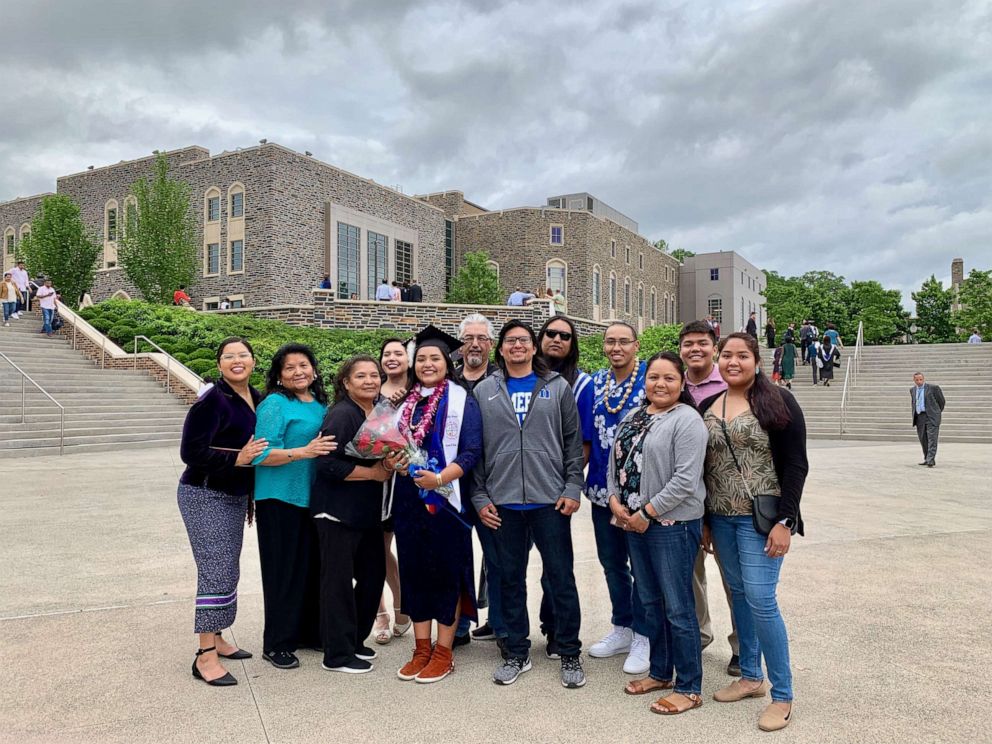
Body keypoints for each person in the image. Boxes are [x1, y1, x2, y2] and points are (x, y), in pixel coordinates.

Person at [699, 332, 808, 732]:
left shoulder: (778, 400)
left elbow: (797, 464)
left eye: (742, 355)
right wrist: (707, 522)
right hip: (722, 517)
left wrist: (786, 521)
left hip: (761, 520)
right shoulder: (710, 404)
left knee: (762, 600)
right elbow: (705, 468)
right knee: (740, 597)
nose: (733, 361)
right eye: (726, 355)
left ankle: (783, 695)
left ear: (756, 360)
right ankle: (750, 677)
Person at [473, 320, 586, 688]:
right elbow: (475, 450)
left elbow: (573, 442)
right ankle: (517, 652)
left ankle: (569, 652)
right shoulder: (484, 391)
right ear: (500, 349)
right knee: (509, 581)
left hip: (549, 501)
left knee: (561, 578)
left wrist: (572, 487)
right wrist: (479, 496)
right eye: (510, 341)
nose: (517, 346)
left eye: (523, 340)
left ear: (534, 347)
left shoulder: (557, 387)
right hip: (503, 503)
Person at [609, 352, 708, 714]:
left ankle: (689, 686)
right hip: (633, 523)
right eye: (653, 377)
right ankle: (661, 672)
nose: (660, 384)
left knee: (679, 607)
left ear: (682, 383)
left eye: (669, 378)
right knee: (650, 602)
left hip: (671, 525)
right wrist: (615, 501)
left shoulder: (687, 420)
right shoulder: (635, 416)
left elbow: (685, 479)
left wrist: (646, 513)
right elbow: (614, 463)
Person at [390, 326, 483, 684]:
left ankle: (444, 651)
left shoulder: (462, 398)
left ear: (448, 363)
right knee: (413, 569)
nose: (428, 364)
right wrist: (392, 462)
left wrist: (440, 479)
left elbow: (472, 451)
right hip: (408, 499)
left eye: (435, 359)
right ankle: (421, 647)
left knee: (446, 571)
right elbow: (389, 445)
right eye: (422, 359)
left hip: (446, 499)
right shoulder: (404, 402)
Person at [177, 337, 268, 687]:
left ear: (253, 360)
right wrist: (237, 459)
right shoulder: (211, 400)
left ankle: (217, 636)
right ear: (219, 365)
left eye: (243, 354)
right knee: (215, 570)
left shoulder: (257, 398)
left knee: (227, 569)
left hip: (233, 495)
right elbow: (191, 451)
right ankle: (204, 654)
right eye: (228, 356)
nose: (236, 360)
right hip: (204, 493)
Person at [252, 344, 337, 670]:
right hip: (278, 499)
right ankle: (277, 643)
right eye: (290, 368)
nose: (298, 372)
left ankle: (305, 633)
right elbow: (261, 454)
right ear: (279, 375)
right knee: (281, 572)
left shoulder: (319, 405)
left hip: (309, 499)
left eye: (304, 365)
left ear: (314, 370)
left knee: (307, 570)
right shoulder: (274, 404)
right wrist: (305, 451)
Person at [311, 356, 392, 673]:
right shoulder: (342, 414)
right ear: (346, 383)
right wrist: (372, 474)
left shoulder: (380, 410)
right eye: (361, 376)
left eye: (375, 375)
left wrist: (392, 462)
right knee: (339, 583)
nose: (370, 380)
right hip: (336, 512)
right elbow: (326, 463)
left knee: (373, 576)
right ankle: (337, 654)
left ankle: (355, 640)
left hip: (367, 513)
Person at [586, 322, 651, 674]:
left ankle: (645, 633)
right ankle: (622, 627)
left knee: (642, 567)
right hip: (601, 491)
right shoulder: (593, 383)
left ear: (636, 345)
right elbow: (584, 437)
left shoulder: (650, 379)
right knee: (612, 564)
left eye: (623, 341)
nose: (616, 347)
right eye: (610, 341)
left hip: (641, 493)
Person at [678, 321, 739, 676]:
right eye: (688, 344)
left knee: (734, 577)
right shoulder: (672, 382)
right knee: (690, 574)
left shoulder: (732, 383)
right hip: (685, 500)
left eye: (702, 343)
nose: (695, 349)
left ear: (713, 348)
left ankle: (742, 645)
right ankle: (698, 635)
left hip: (724, 500)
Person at [536, 315, 595, 657]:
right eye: (551, 333)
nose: (557, 339)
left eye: (565, 336)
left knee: (555, 565)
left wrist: (568, 483)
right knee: (504, 562)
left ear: (572, 344)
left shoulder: (581, 385)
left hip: (556, 487)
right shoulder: (520, 378)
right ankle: (501, 624)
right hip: (515, 486)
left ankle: (555, 627)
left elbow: (583, 443)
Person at [372, 339, 414, 644]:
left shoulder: (420, 389)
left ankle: (404, 604)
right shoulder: (371, 389)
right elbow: (363, 434)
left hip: (410, 480)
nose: (392, 358)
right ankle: (381, 612)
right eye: (387, 354)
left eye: (398, 353)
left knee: (404, 550)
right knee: (374, 549)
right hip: (376, 479)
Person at [911, 372, 945, 467]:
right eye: (917, 380)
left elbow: (941, 402)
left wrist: (936, 412)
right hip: (919, 417)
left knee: (932, 439)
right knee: (923, 439)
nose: (919, 381)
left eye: (920, 379)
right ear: (914, 380)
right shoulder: (912, 390)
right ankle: (926, 458)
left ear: (923, 379)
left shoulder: (933, 388)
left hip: (931, 417)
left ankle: (931, 460)